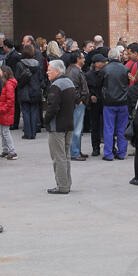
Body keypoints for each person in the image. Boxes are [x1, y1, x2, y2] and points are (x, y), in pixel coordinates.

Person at [43, 60, 75, 194]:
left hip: (57, 126)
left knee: (58, 157)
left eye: (49, 70)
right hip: (69, 123)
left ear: (57, 71)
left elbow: (53, 107)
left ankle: (62, 185)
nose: (47, 72)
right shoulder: (69, 83)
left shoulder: (56, 86)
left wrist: (45, 120)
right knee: (65, 155)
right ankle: (66, 183)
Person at [101, 47, 130, 160]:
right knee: (122, 128)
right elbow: (127, 83)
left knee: (109, 128)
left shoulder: (105, 69)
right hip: (123, 102)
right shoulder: (125, 69)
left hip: (109, 103)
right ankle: (122, 153)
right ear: (119, 57)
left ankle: (108, 154)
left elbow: (101, 84)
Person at [14, 45, 43, 141]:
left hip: (24, 90)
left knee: (25, 112)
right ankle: (34, 132)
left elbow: (17, 78)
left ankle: (27, 133)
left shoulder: (20, 64)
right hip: (35, 90)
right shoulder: (37, 64)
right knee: (34, 111)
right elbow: (40, 78)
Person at [65, 51, 90, 162]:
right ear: (77, 59)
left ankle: (77, 150)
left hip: (78, 103)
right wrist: (79, 100)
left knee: (78, 129)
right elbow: (73, 88)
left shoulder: (74, 70)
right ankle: (74, 152)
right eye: (82, 58)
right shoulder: (73, 71)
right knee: (76, 129)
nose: (84, 59)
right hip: (77, 104)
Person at [85, 54, 106, 157]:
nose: (104, 63)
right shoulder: (88, 75)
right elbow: (87, 88)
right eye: (102, 61)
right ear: (96, 63)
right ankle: (95, 148)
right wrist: (91, 96)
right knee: (95, 126)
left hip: (104, 101)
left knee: (107, 125)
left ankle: (110, 147)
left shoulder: (105, 73)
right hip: (94, 103)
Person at [0, 66, 17, 160]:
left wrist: (3, 108)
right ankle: (5, 150)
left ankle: (12, 151)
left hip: (5, 111)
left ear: (4, 72)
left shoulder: (8, 84)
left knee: (5, 132)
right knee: (2, 132)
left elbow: (10, 100)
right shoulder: (4, 83)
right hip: (1, 110)